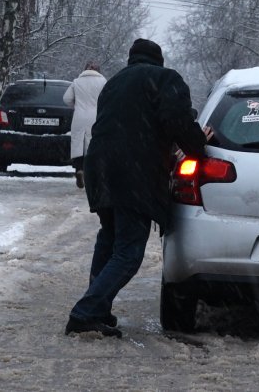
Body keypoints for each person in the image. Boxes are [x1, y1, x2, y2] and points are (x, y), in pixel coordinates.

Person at [65, 38, 211, 338]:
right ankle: (85, 313)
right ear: (159, 60)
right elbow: (177, 122)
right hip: (132, 172)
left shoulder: (115, 82)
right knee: (129, 252)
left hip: (100, 167)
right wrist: (198, 143)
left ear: (132, 59)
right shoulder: (165, 79)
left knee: (109, 238)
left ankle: (97, 309)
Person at [63, 62, 107, 189]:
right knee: (94, 144)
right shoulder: (103, 82)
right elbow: (107, 98)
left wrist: (77, 106)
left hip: (79, 117)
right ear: (98, 70)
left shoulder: (77, 82)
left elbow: (66, 99)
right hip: (96, 117)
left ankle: (79, 169)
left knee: (79, 145)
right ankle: (92, 173)